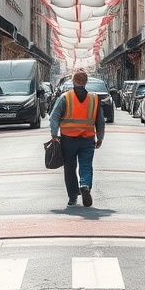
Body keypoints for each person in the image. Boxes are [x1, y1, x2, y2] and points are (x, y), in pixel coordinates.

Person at [49, 69, 105, 207]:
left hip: (68, 139)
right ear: (86, 82)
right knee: (86, 164)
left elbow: (53, 117)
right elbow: (100, 121)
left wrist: (54, 134)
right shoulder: (94, 99)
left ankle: (73, 197)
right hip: (87, 138)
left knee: (69, 167)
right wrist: (100, 137)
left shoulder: (65, 97)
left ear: (73, 81)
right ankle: (85, 185)